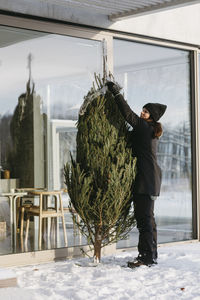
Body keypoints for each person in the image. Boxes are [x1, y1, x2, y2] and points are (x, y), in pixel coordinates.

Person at [106, 81, 167, 268]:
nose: (142, 113)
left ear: (152, 117)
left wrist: (115, 93)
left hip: (145, 182)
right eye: (143, 110)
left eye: (146, 112)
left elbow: (127, 114)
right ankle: (151, 256)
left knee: (144, 222)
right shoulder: (149, 131)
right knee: (149, 220)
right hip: (150, 180)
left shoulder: (144, 127)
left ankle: (146, 258)